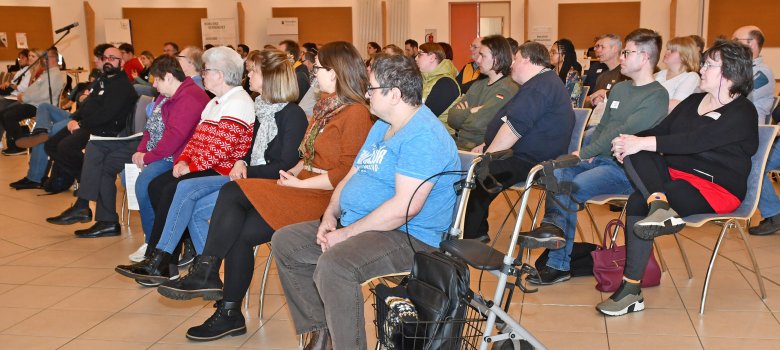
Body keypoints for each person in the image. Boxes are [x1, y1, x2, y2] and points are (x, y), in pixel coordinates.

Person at [153, 42, 374, 342]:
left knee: (234, 192)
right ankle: (229, 312)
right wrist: (292, 175)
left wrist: (299, 182)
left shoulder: (356, 113)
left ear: (336, 73)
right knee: (239, 233)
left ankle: (206, 270)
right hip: (303, 187)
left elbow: (346, 173)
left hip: (324, 199)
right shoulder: (326, 107)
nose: (314, 74)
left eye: (319, 69)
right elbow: (304, 158)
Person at [274, 52, 459, 349]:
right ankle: (325, 331)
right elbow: (350, 177)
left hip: (408, 236)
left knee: (335, 266)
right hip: (359, 224)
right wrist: (330, 217)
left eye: (371, 88)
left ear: (395, 94)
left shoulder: (424, 135)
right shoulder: (381, 125)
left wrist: (345, 234)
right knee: (286, 243)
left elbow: (404, 209)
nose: (365, 93)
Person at [116, 49, 308, 282]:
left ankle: (166, 260)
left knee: (176, 188)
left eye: (254, 72)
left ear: (271, 77)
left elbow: (278, 162)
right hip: (243, 175)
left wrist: (228, 166)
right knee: (176, 195)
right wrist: (185, 160)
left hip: (256, 180)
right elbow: (204, 140)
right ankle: (197, 269)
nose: (249, 77)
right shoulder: (259, 108)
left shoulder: (287, 113)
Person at [597, 40, 758, 316]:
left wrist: (642, 143)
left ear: (730, 72)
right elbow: (661, 130)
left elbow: (696, 141)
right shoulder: (694, 101)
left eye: (709, 65)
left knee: (637, 199)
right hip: (674, 176)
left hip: (715, 187)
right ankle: (660, 206)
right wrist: (629, 141)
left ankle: (631, 286)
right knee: (637, 149)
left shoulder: (743, 111)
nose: (702, 69)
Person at [520, 28, 670, 284]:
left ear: (645, 57)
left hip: (627, 169)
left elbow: (623, 132)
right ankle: (552, 234)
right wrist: (586, 153)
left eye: (627, 52)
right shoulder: (621, 90)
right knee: (555, 173)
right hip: (601, 159)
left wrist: (583, 153)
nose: (622, 57)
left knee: (569, 185)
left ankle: (558, 262)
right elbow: (603, 128)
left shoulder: (657, 95)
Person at [49, 55, 208, 239]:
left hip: (168, 153)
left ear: (169, 76)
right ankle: (90, 210)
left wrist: (146, 156)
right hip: (149, 144)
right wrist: (141, 150)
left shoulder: (187, 96)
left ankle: (149, 241)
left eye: (156, 79)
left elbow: (175, 137)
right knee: (95, 146)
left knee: (135, 179)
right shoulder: (167, 94)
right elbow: (150, 128)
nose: (154, 85)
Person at [463, 41, 575, 242]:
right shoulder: (541, 83)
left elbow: (514, 127)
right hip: (527, 155)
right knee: (480, 171)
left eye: (515, 60)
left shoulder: (539, 87)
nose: (512, 65)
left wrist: (488, 156)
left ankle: (468, 234)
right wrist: (488, 147)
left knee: (479, 173)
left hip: (533, 160)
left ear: (526, 60)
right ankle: (476, 230)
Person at [9, 44, 112, 190]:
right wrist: (83, 97)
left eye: (97, 58)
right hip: (76, 114)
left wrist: (84, 98)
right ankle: (41, 131)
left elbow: (91, 102)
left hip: (82, 120)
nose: (94, 60)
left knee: (47, 134)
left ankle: (35, 177)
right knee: (44, 110)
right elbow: (79, 96)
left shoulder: (57, 75)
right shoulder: (99, 77)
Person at [448, 35, 519, 151]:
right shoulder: (478, 84)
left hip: (477, 150)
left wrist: (463, 113)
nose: (478, 60)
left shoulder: (508, 89)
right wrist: (472, 110)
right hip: (459, 145)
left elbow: (478, 124)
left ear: (497, 58)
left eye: (483, 56)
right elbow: (451, 118)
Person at [1, 48, 67, 156]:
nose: (44, 60)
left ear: (54, 59)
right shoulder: (46, 73)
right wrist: (23, 95)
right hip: (33, 102)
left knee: (9, 115)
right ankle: (18, 142)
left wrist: (24, 97)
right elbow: (34, 89)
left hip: (40, 106)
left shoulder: (54, 75)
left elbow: (44, 95)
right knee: (3, 113)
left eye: (46, 58)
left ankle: (20, 145)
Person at [732, 25, 775, 121]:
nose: (730, 46)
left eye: (735, 41)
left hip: (747, 127)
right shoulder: (737, 68)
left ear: (751, 44)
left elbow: (736, 97)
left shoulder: (763, 73)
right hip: (731, 122)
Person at [416, 42, 460, 129]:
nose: (416, 58)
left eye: (419, 54)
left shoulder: (446, 83)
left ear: (432, 57)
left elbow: (425, 116)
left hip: (442, 136)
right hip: (427, 132)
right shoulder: (425, 80)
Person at [655, 36, 701, 112]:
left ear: (685, 55)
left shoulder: (691, 77)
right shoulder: (659, 74)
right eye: (667, 49)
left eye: (672, 50)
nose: (667, 52)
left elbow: (674, 106)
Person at [587, 34, 629, 106]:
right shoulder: (601, 76)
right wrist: (594, 100)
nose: (598, 50)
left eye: (602, 47)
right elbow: (592, 99)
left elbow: (627, 99)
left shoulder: (626, 73)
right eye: (598, 47)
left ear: (615, 49)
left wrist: (605, 96)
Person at [550, 38, 584, 107]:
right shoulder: (549, 73)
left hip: (565, 113)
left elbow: (573, 102)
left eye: (553, 52)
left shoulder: (574, 76)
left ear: (564, 56)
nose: (550, 55)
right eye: (550, 52)